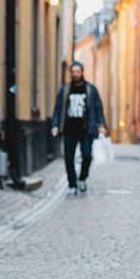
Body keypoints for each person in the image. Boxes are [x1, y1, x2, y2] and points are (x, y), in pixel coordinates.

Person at [51, 61, 107, 197]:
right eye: (73, 72)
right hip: (69, 130)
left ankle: (82, 178)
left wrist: (101, 125)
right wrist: (55, 125)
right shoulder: (64, 90)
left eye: (78, 72)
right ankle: (72, 185)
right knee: (68, 158)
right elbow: (57, 109)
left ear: (82, 72)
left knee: (87, 156)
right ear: (70, 73)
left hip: (86, 130)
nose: (75, 74)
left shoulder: (90, 89)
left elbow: (98, 108)